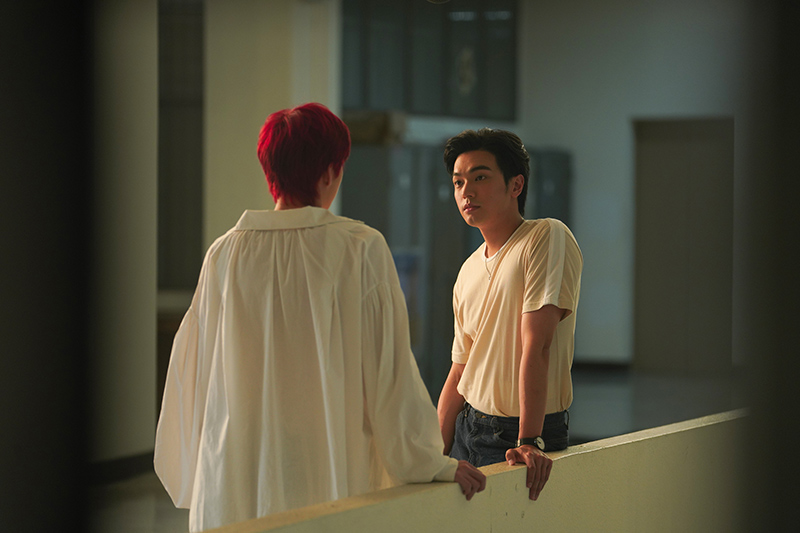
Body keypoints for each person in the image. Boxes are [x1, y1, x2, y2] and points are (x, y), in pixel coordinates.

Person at [154, 103, 485, 532]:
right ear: (329, 172)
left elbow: (193, 376)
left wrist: (194, 474)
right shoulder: (359, 248)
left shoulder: (225, 254)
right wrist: (431, 462)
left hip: (236, 479)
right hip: (324, 473)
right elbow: (390, 378)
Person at [437, 128, 582, 502]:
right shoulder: (467, 270)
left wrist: (530, 439)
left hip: (518, 437)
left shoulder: (545, 236)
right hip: (468, 428)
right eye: (458, 182)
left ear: (516, 185)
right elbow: (460, 370)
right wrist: (434, 453)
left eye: (480, 177)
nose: (466, 192)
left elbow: (538, 344)